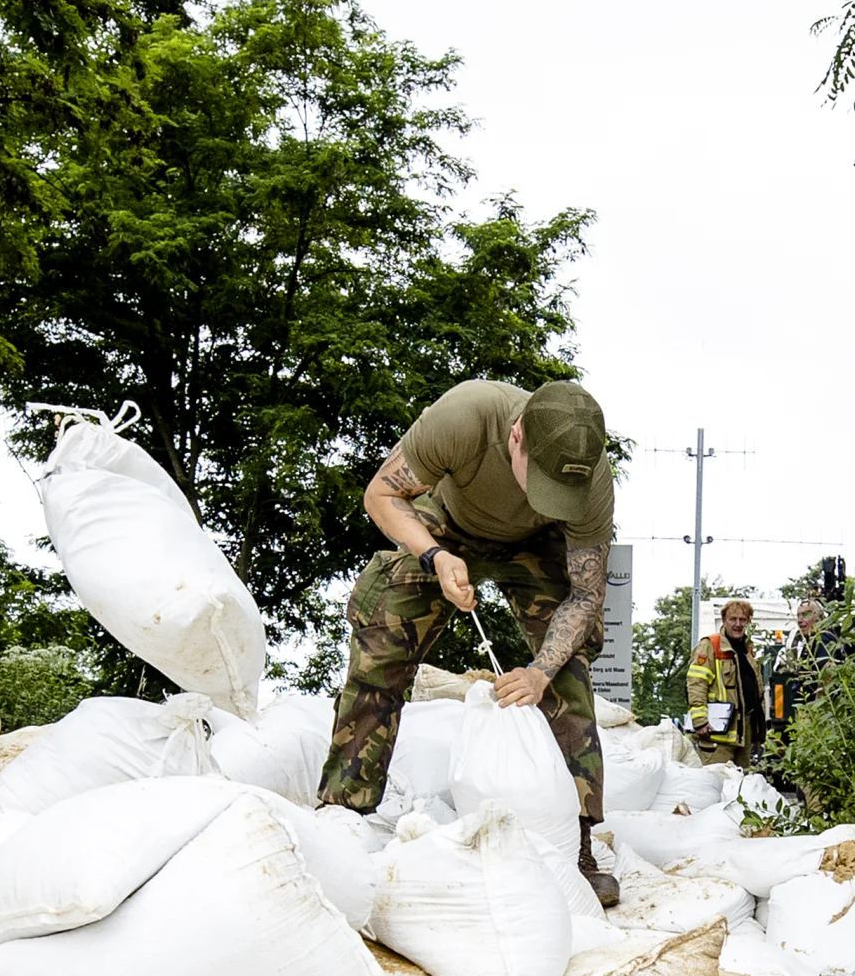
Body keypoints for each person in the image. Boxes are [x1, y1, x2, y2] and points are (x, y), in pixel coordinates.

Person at [317, 376, 619, 903]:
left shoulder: (590, 481)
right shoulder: (467, 416)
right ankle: (346, 810)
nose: (546, 495)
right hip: (448, 522)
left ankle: (576, 842)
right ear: (517, 436)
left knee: (567, 674)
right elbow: (381, 493)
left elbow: (587, 594)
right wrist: (434, 555)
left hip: (539, 546)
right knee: (382, 641)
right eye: (541, 480)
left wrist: (540, 671)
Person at [687, 599, 774, 766]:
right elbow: (696, 683)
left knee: (740, 787)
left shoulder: (746, 649)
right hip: (716, 735)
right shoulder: (710, 646)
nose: (738, 624)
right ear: (724, 620)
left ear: (748, 621)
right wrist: (699, 720)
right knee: (716, 785)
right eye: (733, 619)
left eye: (743, 619)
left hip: (743, 735)